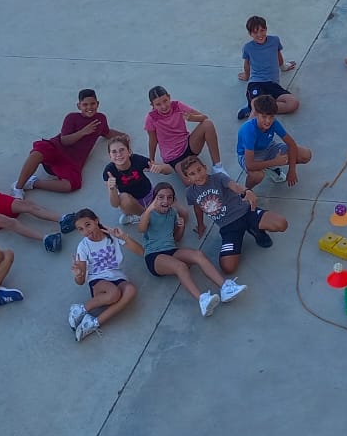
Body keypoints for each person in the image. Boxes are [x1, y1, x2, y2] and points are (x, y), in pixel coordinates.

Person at [137, 181, 246, 316]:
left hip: (171, 250)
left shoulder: (172, 213)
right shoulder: (149, 214)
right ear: (154, 199)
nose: (165, 200)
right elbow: (141, 229)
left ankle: (225, 288)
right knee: (180, 266)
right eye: (160, 197)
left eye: (169, 197)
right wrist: (149, 209)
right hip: (154, 256)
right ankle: (202, 300)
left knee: (198, 254)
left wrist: (181, 227)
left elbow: (176, 238)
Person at [178, 155, 288, 275]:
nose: (198, 175)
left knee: (281, 224)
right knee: (228, 267)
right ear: (187, 178)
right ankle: (240, 238)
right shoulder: (190, 193)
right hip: (228, 227)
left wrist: (246, 191)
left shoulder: (218, 177)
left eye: (199, 170)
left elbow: (234, 185)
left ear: (205, 167)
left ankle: (256, 230)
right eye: (192, 174)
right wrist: (200, 225)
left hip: (246, 213)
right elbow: (197, 208)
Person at [14, 89, 111, 194]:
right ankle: (18, 188)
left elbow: (107, 133)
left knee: (71, 185)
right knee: (37, 152)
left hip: (71, 162)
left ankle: (33, 183)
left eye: (92, 104)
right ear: (79, 106)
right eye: (85, 105)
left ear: (98, 104)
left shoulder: (101, 119)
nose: (89, 107)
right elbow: (64, 141)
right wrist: (83, 132)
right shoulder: (72, 117)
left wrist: (122, 137)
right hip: (56, 150)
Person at [67, 209, 143, 342]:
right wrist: (78, 274)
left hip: (117, 277)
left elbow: (141, 252)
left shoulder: (112, 235)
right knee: (114, 293)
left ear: (96, 220)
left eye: (88, 225)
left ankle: (93, 323)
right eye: (81, 229)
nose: (86, 231)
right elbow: (80, 281)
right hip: (98, 281)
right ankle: (80, 309)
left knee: (131, 290)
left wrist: (124, 237)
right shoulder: (83, 247)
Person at [143, 86, 227, 174]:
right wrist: (151, 160)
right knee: (191, 180)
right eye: (158, 104)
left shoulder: (178, 106)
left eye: (165, 101)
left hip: (189, 146)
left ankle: (218, 167)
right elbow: (153, 141)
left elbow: (204, 118)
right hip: (173, 158)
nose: (163, 106)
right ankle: (172, 169)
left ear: (169, 97)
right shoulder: (151, 118)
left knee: (208, 124)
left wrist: (192, 118)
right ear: (152, 105)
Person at [237, 94, 313, 188]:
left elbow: (291, 144)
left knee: (305, 155)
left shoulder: (274, 123)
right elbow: (250, 165)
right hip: (248, 155)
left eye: (271, 117)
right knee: (257, 176)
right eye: (264, 117)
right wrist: (275, 162)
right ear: (256, 114)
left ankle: (268, 167)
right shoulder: (249, 130)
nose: (268, 121)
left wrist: (292, 169)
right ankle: (246, 191)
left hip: (268, 147)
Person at [236, 15, 299, 120]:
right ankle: (253, 110)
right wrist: (247, 76)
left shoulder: (275, 41)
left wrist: (283, 66)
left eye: (262, 30)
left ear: (266, 29)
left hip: (273, 84)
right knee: (257, 111)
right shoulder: (248, 47)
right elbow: (247, 63)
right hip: (256, 83)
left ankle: (256, 107)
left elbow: (278, 55)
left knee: (293, 103)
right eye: (255, 32)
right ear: (250, 34)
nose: (260, 35)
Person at [102, 133, 171, 225]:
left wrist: (160, 168)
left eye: (122, 150)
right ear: (110, 156)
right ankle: (143, 216)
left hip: (148, 194)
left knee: (180, 211)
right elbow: (115, 204)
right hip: (132, 202)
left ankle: (144, 215)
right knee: (123, 198)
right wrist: (112, 188)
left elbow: (169, 169)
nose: (118, 154)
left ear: (129, 152)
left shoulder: (137, 160)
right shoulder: (109, 171)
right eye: (114, 152)